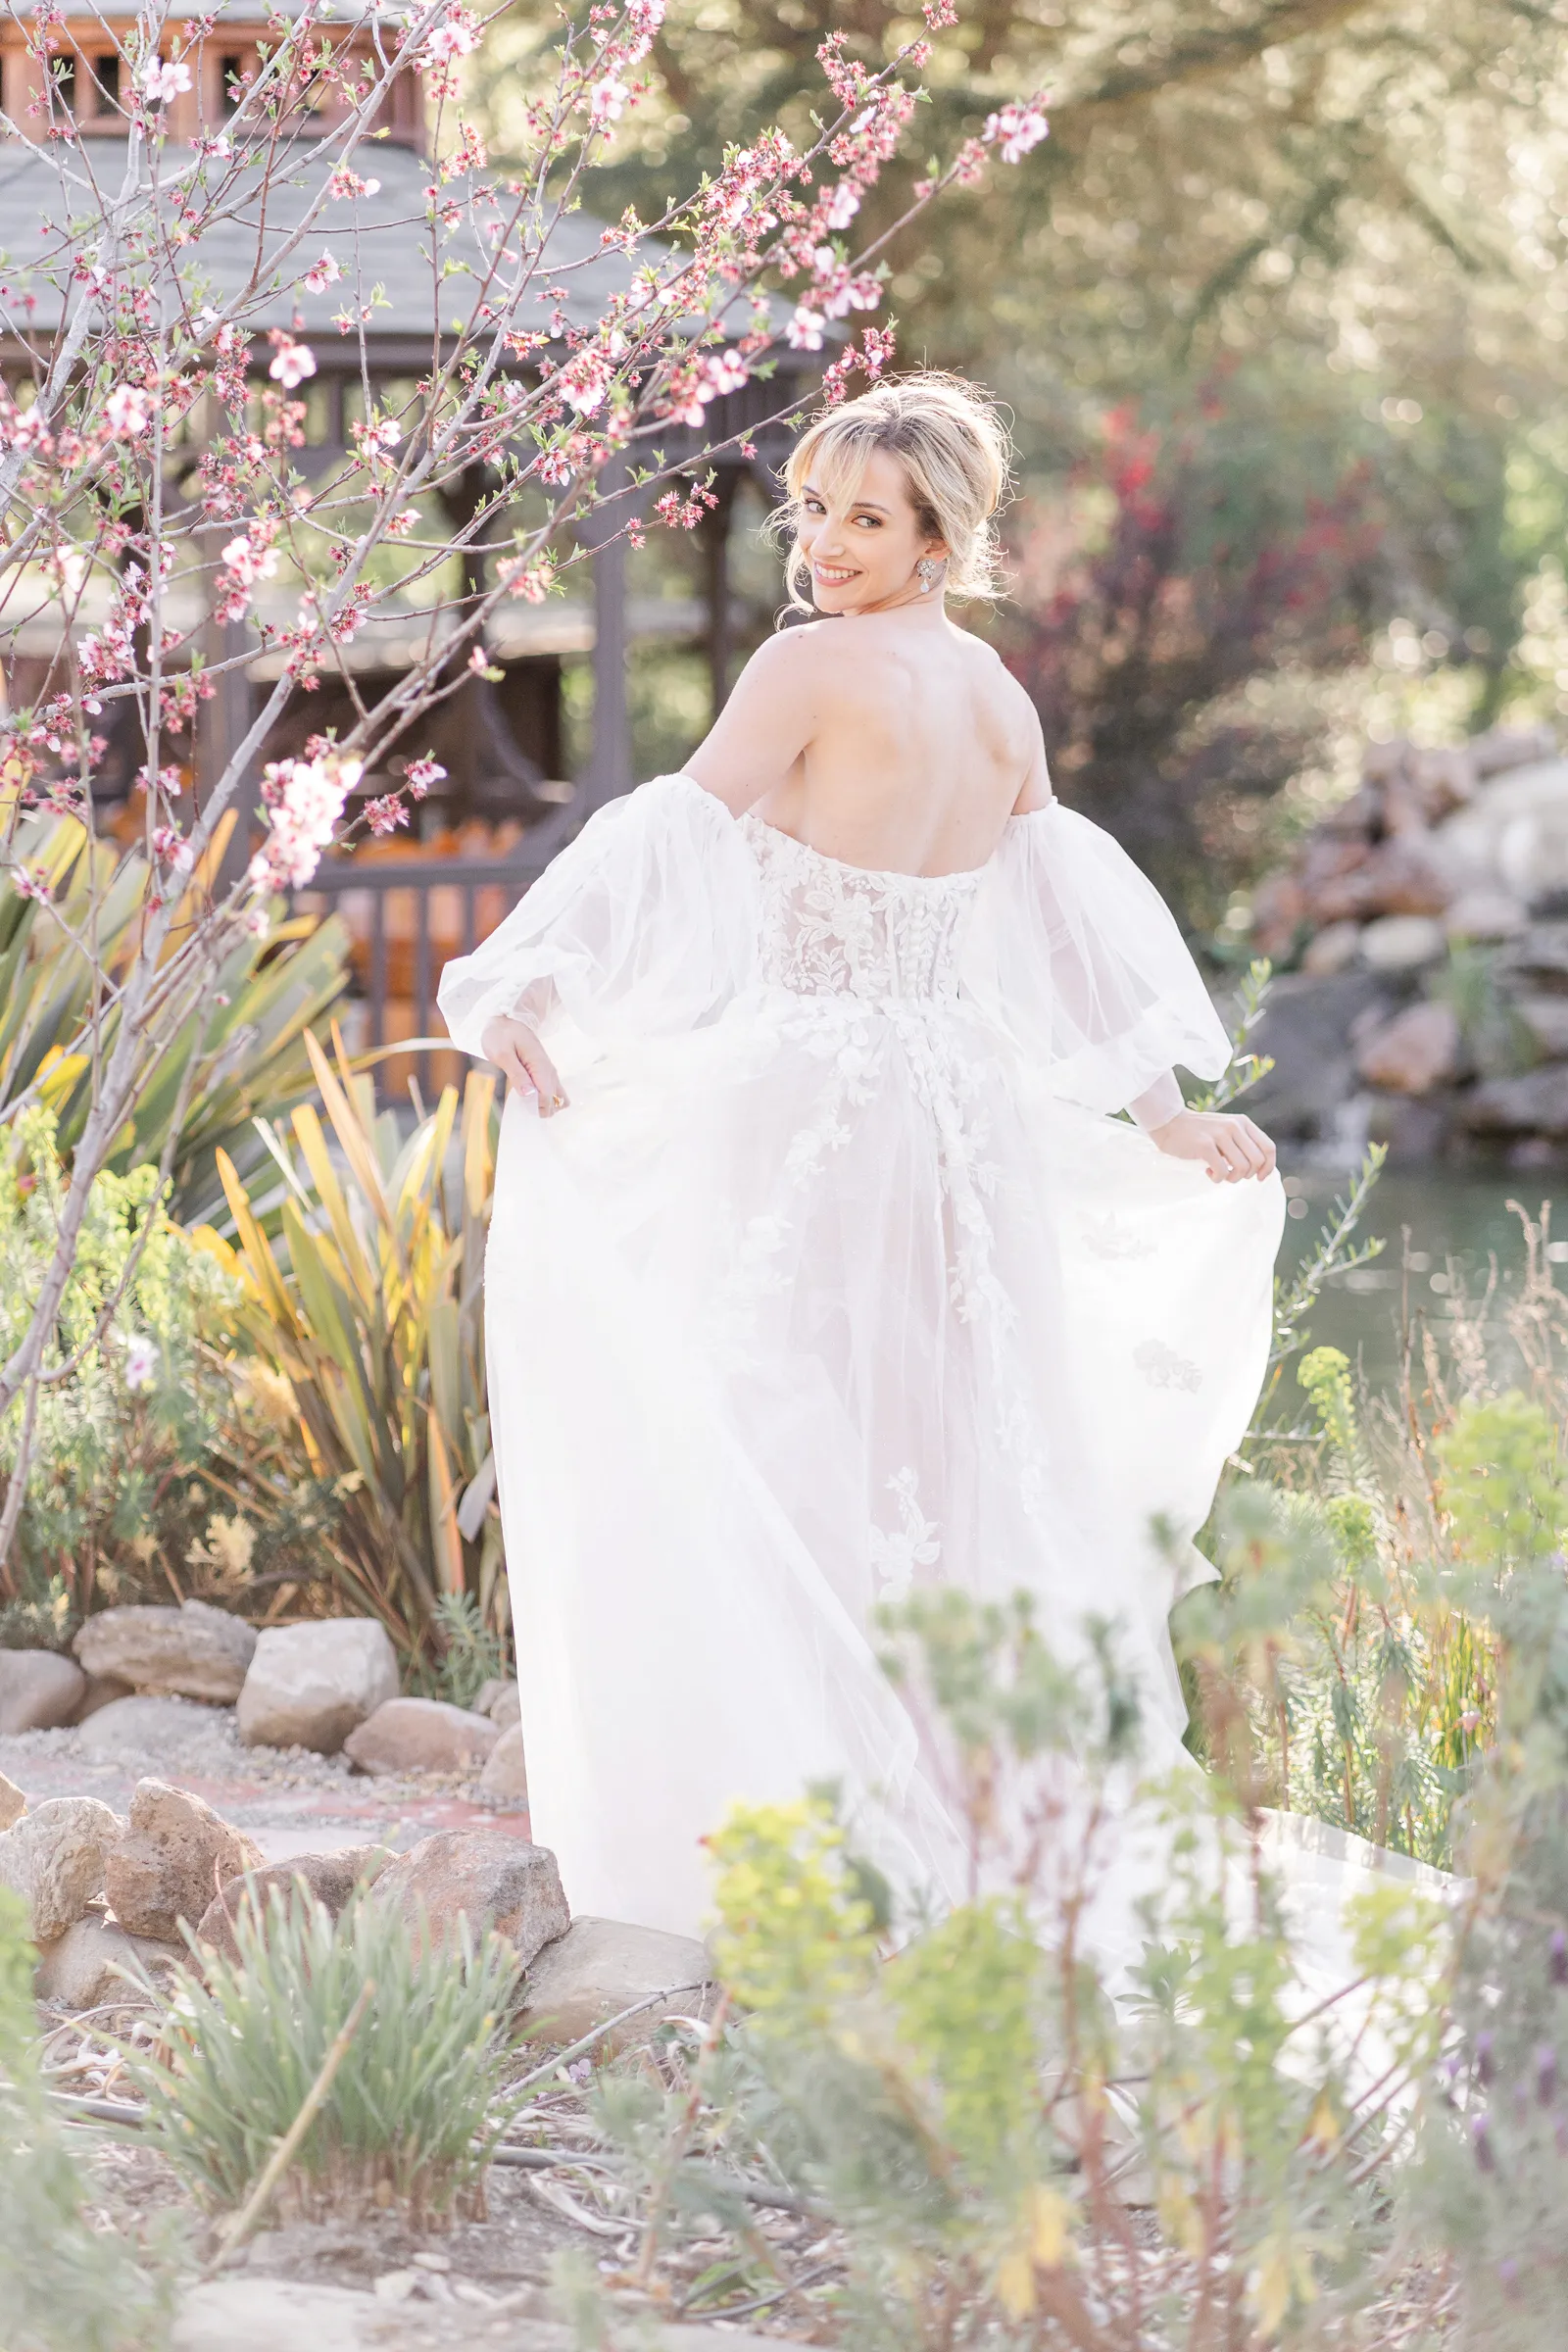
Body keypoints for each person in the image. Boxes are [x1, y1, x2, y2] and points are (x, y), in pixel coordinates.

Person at [438, 372, 1286, 1945]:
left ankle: (814, 1833)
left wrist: (526, 983)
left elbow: (677, 839)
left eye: (867, 519)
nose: (826, 543)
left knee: (775, 1434)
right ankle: (950, 1830)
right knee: (938, 1449)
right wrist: (1160, 1113)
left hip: (811, 1098)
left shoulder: (812, 671)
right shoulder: (998, 700)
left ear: (940, 537)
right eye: (815, 508)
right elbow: (1061, 927)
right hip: (955, 1111)